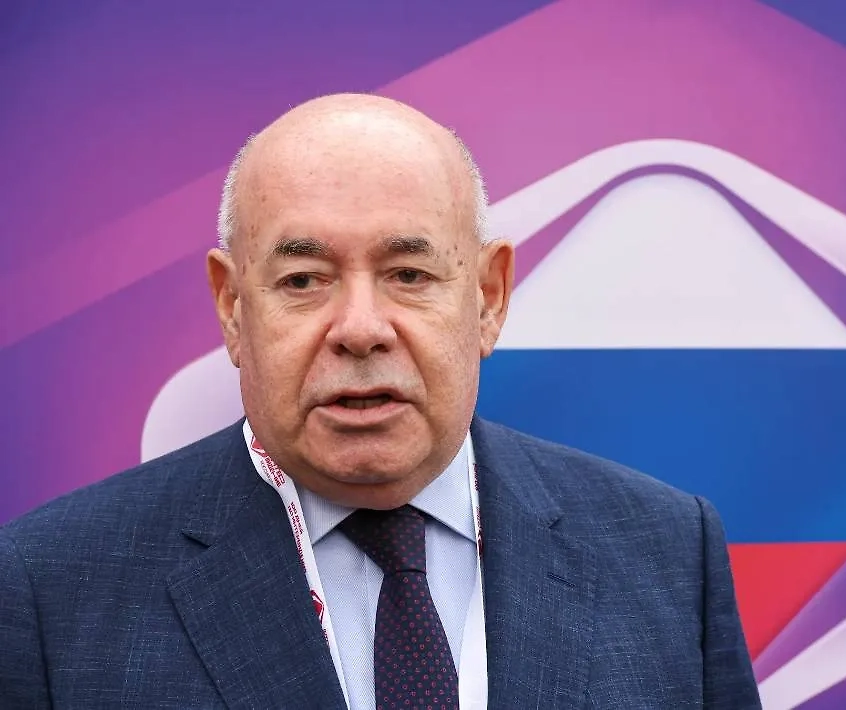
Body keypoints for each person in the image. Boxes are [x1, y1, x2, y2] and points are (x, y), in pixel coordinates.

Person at [0, 94, 761, 709]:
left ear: (489, 297)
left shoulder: (666, 550)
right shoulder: (50, 588)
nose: (360, 329)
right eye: (304, 280)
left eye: (409, 275)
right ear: (232, 307)